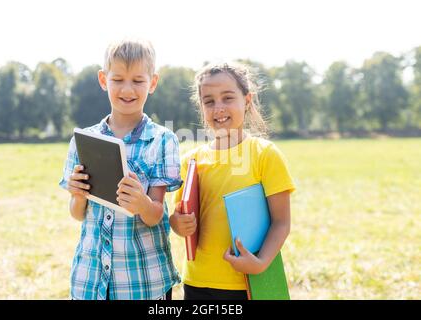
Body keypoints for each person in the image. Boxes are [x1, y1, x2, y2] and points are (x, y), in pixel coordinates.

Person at [59, 38, 182, 300]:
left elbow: (155, 215)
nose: (128, 89)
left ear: (153, 83)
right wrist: (78, 194)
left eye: (138, 80)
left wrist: (141, 203)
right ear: (104, 80)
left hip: (143, 283)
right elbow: (77, 214)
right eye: (118, 79)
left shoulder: (162, 140)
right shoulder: (84, 141)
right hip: (90, 280)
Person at [170, 62, 296, 300]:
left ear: (247, 101)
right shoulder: (191, 161)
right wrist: (178, 223)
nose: (218, 108)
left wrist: (260, 263)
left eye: (227, 98)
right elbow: (178, 219)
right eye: (209, 101)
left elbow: (281, 222)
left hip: (248, 283)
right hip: (197, 282)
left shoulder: (265, 154)